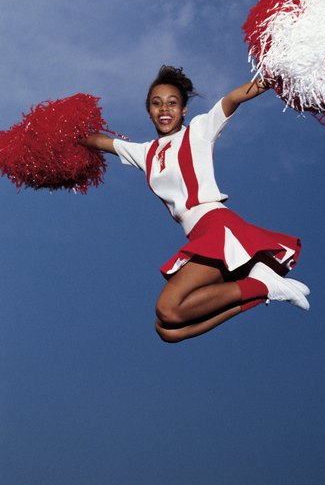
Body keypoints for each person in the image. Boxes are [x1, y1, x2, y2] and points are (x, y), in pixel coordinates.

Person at [84, 66, 310, 343]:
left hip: (216, 225)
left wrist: (274, 78)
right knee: (168, 329)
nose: (164, 109)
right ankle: (261, 289)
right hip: (199, 235)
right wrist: (61, 136)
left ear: (183, 110)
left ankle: (261, 284)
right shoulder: (145, 153)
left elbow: (232, 99)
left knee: (167, 308)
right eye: (156, 103)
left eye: (172, 103)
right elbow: (99, 141)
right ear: (148, 111)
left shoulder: (199, 132)